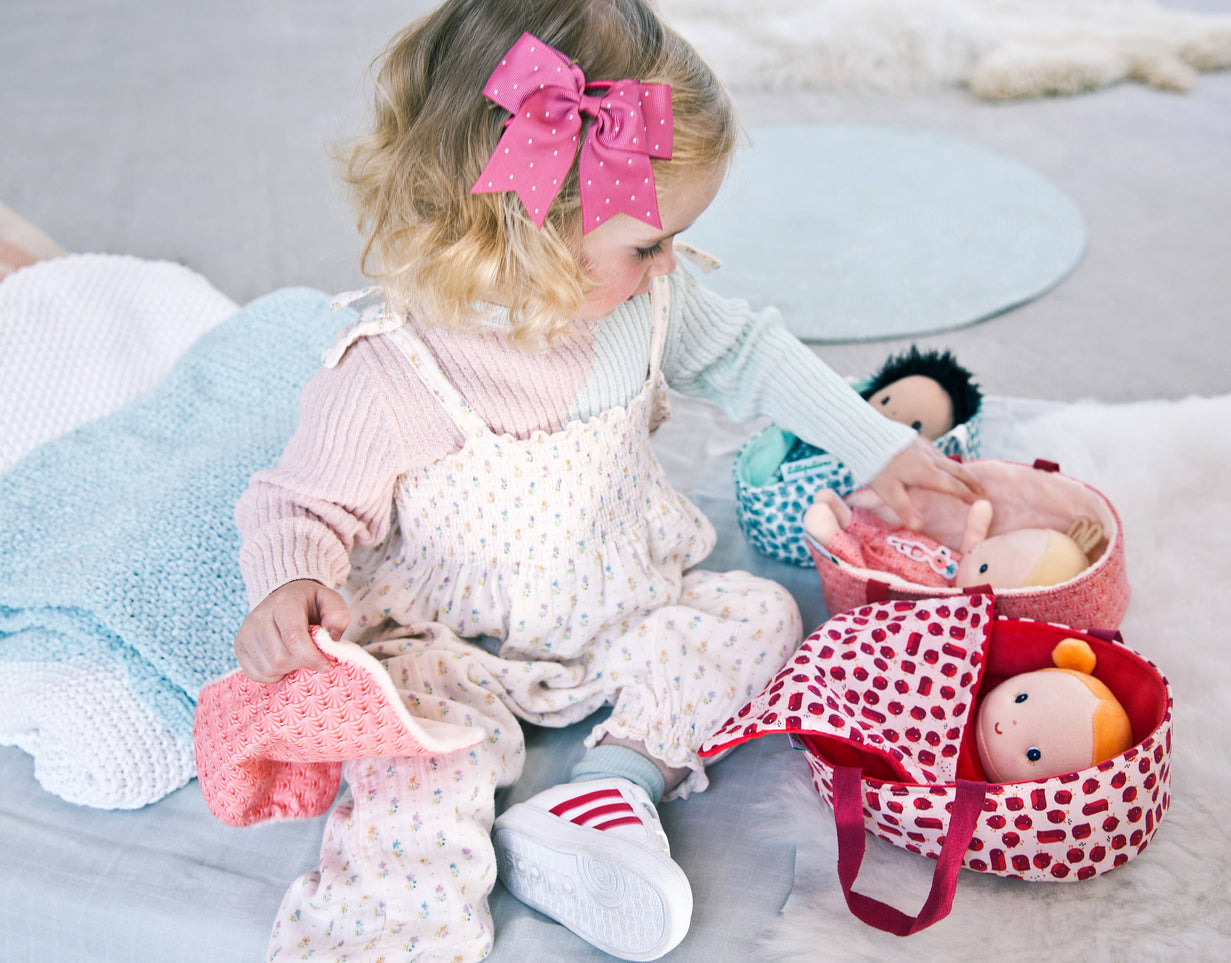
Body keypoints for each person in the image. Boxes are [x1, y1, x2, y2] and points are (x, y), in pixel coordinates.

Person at [230, 1, 983, 960]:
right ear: (525, 228)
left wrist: (874, 441)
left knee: (759, 618)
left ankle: (610, 790)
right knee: (410, 759)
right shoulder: (395, 369)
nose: (669, 261)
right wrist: (291, 585)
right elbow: (301, 503)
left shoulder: (647, 303)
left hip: (621, 598)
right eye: (645, 244)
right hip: (448, 637)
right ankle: (384, 928)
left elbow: (747, 352)